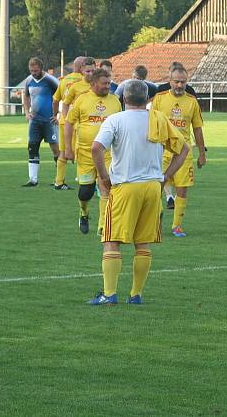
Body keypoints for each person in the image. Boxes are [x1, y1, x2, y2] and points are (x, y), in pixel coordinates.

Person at [87, 80, 189, 305]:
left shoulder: (115, 120)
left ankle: (109, 294)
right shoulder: (159, 119)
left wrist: (104, 177)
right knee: (143, 243)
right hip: (153, 187)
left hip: (126, 186)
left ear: (123, 98)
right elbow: (184, 149)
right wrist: (164, 175)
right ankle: (136, 295)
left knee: (111, 239)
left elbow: (96, 148)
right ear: (147, 99)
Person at [64, 68, 121, 234]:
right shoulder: (81, 100)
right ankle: (84, 212)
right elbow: (68, 123)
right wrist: (68, 148)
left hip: (108, 153)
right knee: (85, 191)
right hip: (85, 154)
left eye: (109, 83)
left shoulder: (115, 101)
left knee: (107, 186)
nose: (107, 86)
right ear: (94, 83)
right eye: (104, 83)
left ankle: (103, 226)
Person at [151, 66, 206, 237]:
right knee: (155, 188)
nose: (180, 85)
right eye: (176, 81)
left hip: (183, 153)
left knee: (182, 189)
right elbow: (152, 124)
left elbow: (197, 129)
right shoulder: (159, 99)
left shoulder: (192, 101)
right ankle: (153, 224)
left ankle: (177, 225)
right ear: (170, 81)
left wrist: (202, 154)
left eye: (183, 82)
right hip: (161, 151)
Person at [21, 57, 60, 187]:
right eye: (31, 70)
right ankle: (33, 179)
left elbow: (61, 96)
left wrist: (57, 114)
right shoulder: (28, 80)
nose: (33, 73)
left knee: (55, 149)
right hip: (35, 121)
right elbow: (25, 96)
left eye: (36, 70)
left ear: (41, 68)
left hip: (49, 120)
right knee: (32, 147)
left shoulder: (50, 80)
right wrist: (27, 112)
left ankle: (59, 179)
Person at [51, 56, 87, 190]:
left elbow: (55, 100)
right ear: (82, 66)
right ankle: (83, 180)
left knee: (63, 151)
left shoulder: (64, 80)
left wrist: (55, 114)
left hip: (64, 121)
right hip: (79, 121)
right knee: (82, 151)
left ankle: (59, 182)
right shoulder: (85, 81)